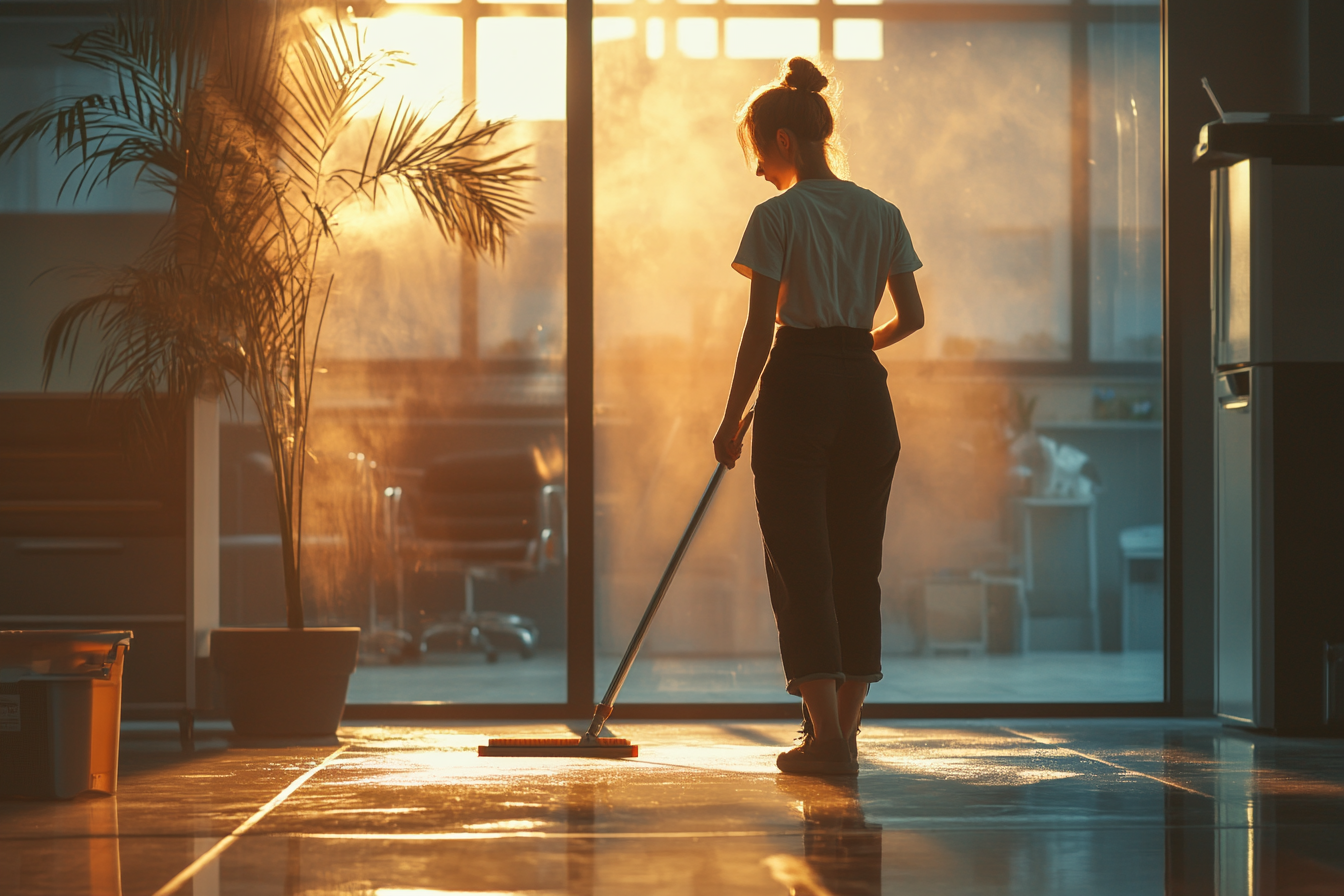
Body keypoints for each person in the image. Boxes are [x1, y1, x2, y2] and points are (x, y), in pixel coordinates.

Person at [713, 57, 925, 776]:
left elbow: (757, 333)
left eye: (756, 154)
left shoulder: (777, 217)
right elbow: (913, 317)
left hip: (797, 386)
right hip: (866, 391)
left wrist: (732, 415)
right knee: (855, 564)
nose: (756, 172)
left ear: (779, 139)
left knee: (801, 565)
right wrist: (856, 345)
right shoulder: (882, 212)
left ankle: (825, 737)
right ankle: (842, 735)